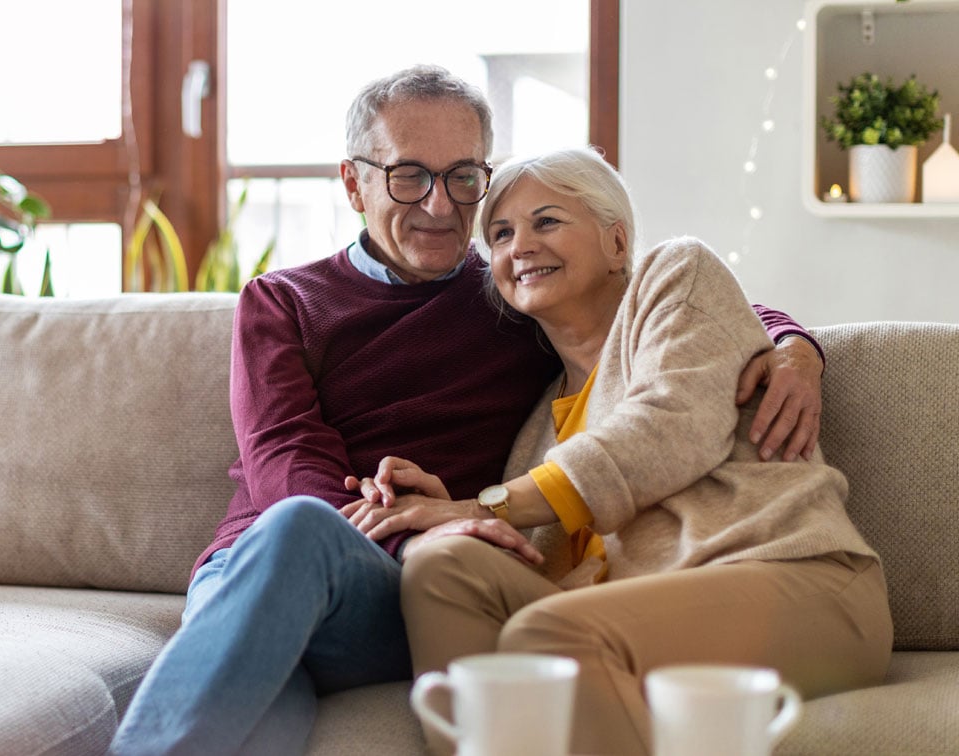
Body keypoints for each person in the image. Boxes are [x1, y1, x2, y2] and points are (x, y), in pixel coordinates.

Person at [108, 66, 826, 756]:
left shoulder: (516, 293)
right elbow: (283, 460)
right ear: (354, 184)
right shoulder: (282, 301)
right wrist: (409, 537)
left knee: (288, 619)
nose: (440, 205)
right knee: (291, 570)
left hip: (416, 590)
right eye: (409, 174)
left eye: (463, 177)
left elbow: (665, 304)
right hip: (275, 563)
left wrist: (795, 347)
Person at [345, 147, 892, 756]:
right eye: (500, 233)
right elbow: (551, 562)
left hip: (799, 583)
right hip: (633, 618)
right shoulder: (535, 431)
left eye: (547, 221)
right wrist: (461, 523)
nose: (519, 245)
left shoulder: (677, 278)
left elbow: (667, 429)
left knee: (551, 636)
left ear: (616, 242)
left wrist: (486, 506)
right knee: (441, 566)